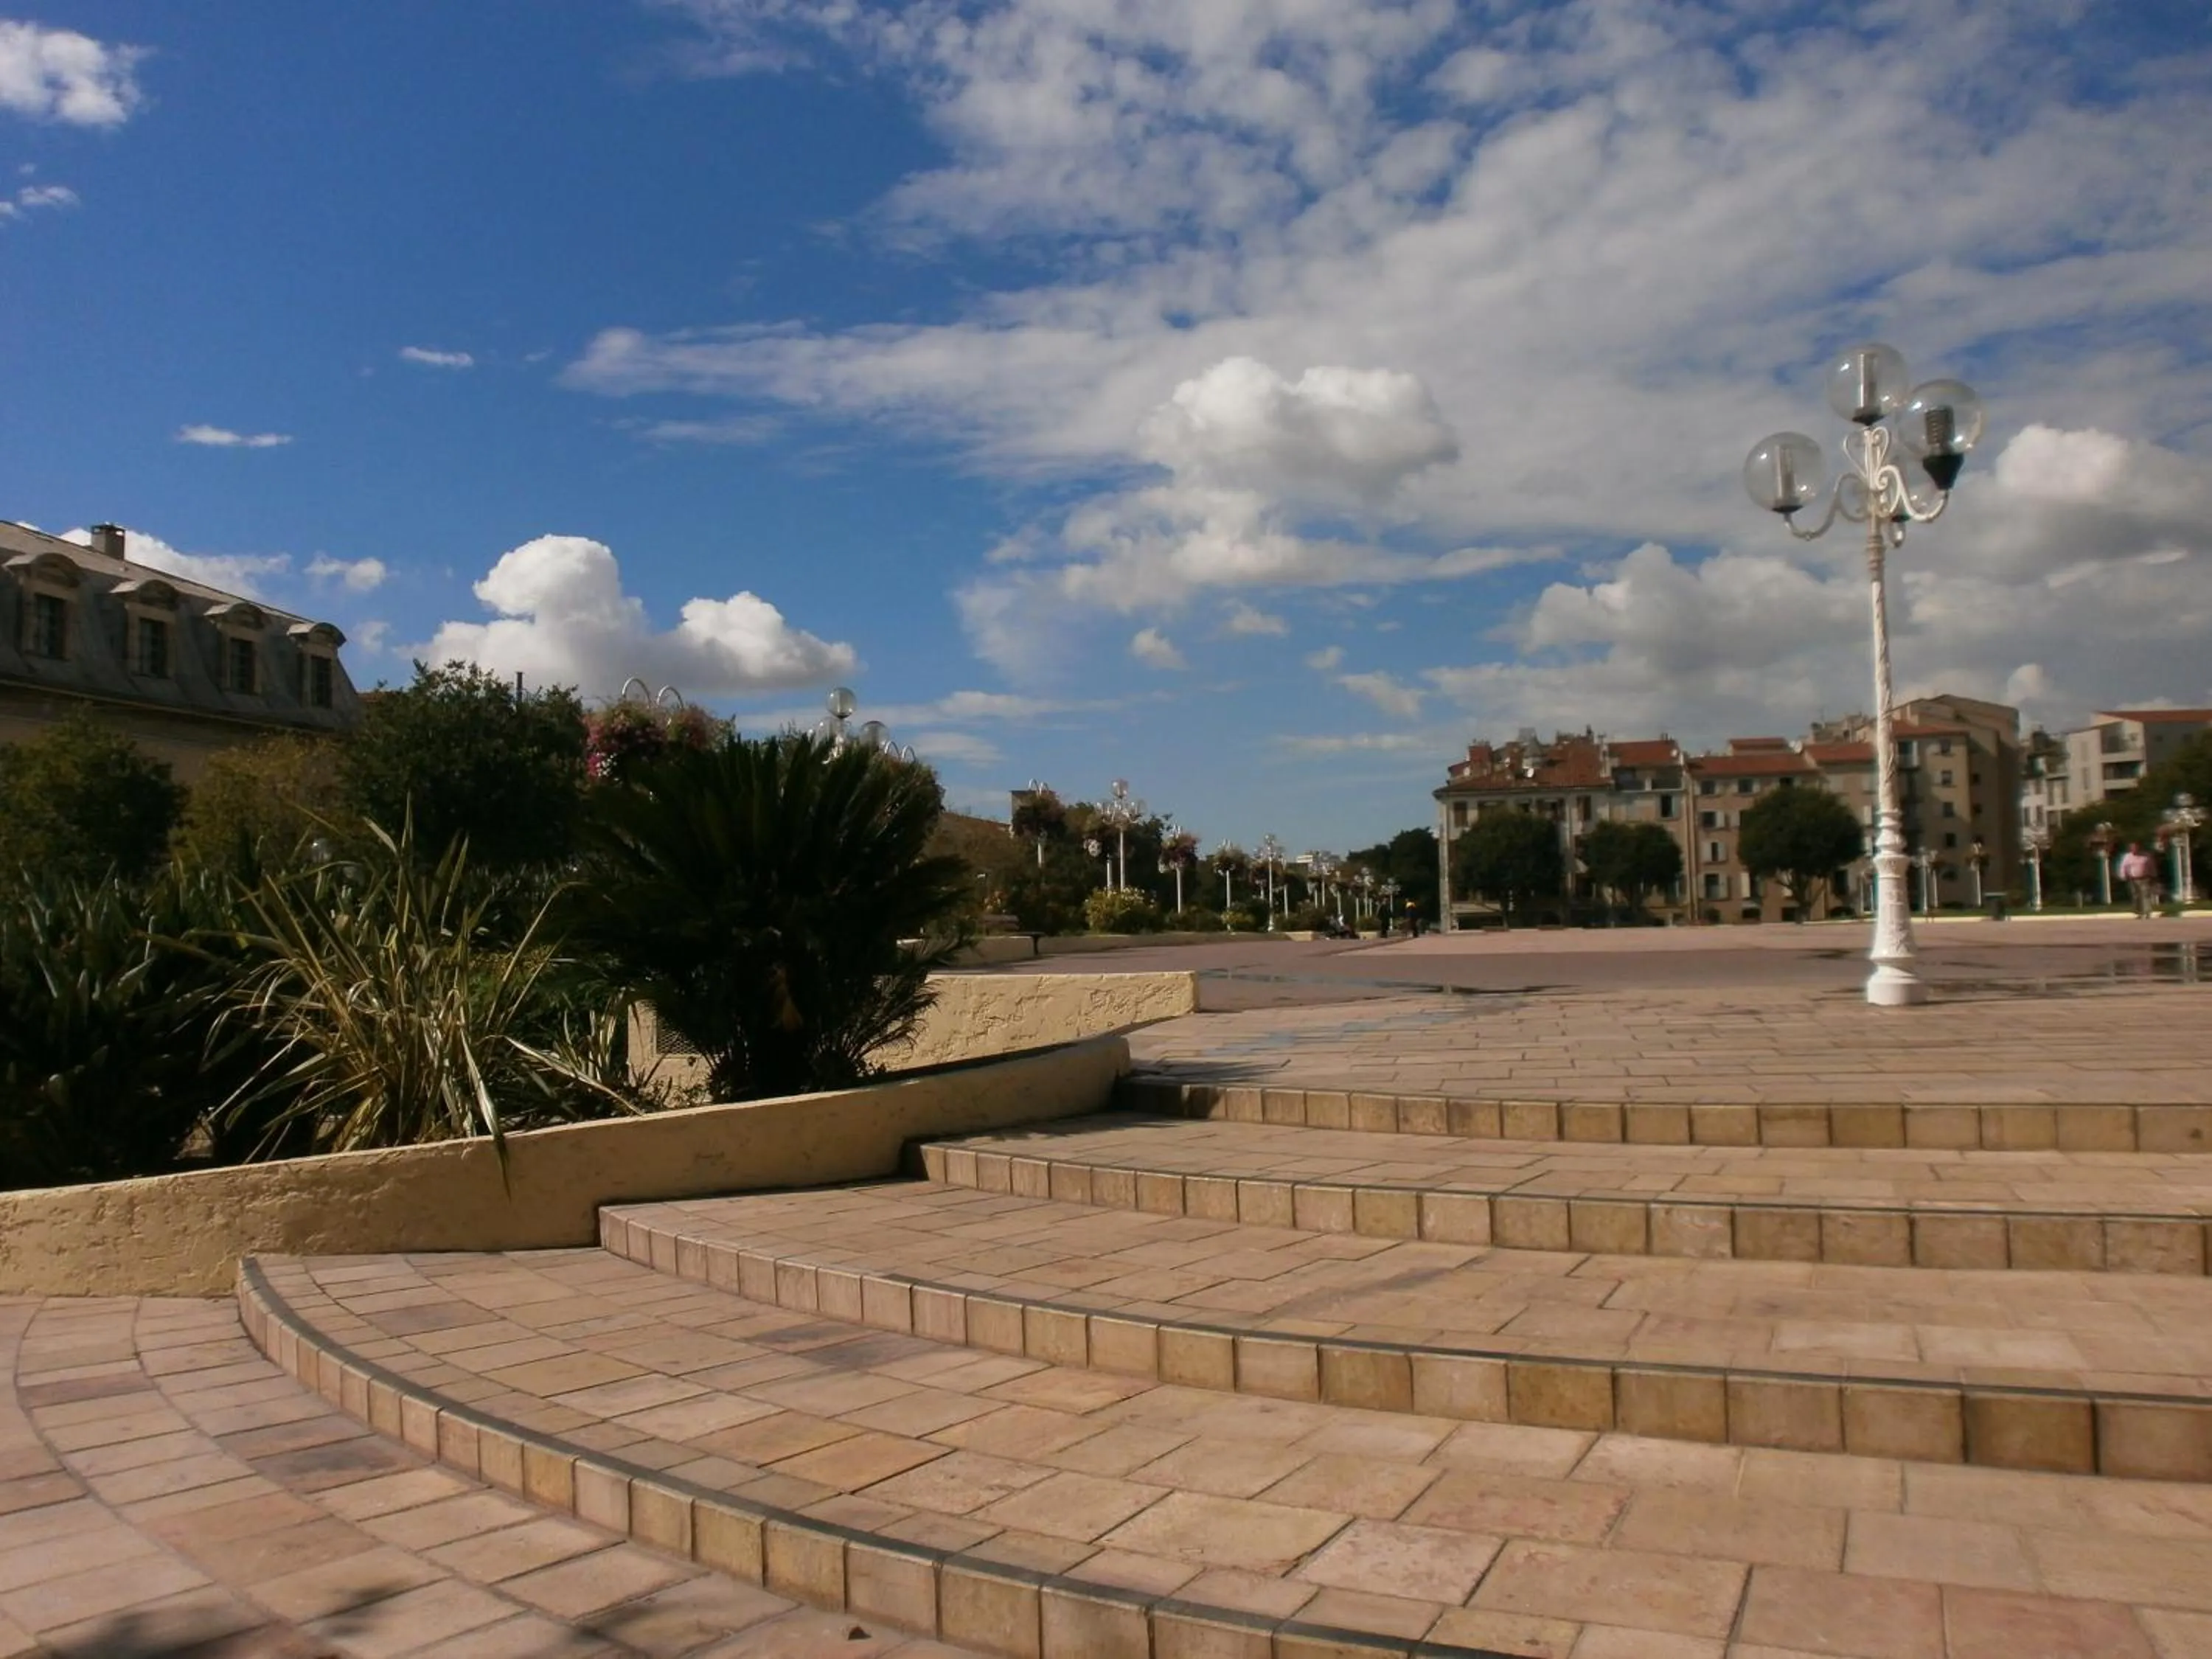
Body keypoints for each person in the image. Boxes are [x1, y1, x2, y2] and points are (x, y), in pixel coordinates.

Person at [2118, 841, 2160, 919]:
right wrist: (2123, 876)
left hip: (2144, 878)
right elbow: (2123, 867)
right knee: (2136, 896)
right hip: (2133, 879)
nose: (2134, 849)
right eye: (2132, 848)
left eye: (2135, 847)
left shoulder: (2146, 856)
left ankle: (2147, 912)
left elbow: (2151, 866)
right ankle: (2139, 912)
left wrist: (2154, 875)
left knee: (2145, 895)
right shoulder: (2127, 857)